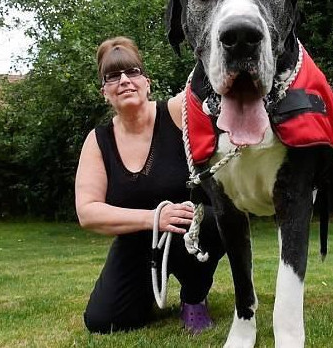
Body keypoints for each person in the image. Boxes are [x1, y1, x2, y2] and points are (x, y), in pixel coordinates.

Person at [75, 36, 225, 334]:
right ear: (104, 91)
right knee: (104, 321)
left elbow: (219, 88)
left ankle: (194, 297)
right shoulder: (99, 140)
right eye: (113, 76)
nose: (124, 81)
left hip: (189, 230)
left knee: (213, 219)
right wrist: (155, 219)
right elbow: (88, 212)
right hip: (137, 241)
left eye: (132, 72)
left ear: (147, 82)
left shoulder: (178, 112)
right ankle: (146, 294)